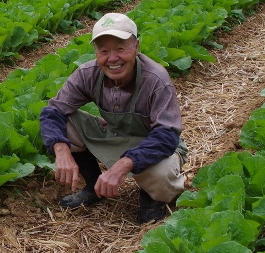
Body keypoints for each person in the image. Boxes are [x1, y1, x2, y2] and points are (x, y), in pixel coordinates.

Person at [39, 13, 186, 224]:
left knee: (160, 174)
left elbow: (167, 135)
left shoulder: (155, 79)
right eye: (104, 50)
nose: (112, 58)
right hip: (116, 134)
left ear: (136, 47)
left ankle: (153, 196)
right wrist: (60, 149)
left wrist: (121, 166)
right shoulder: (87, 74)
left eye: (120, 48)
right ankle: (93, 186)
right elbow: (52, 112)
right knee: (64, 124)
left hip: (156, 145)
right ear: (96, 52)